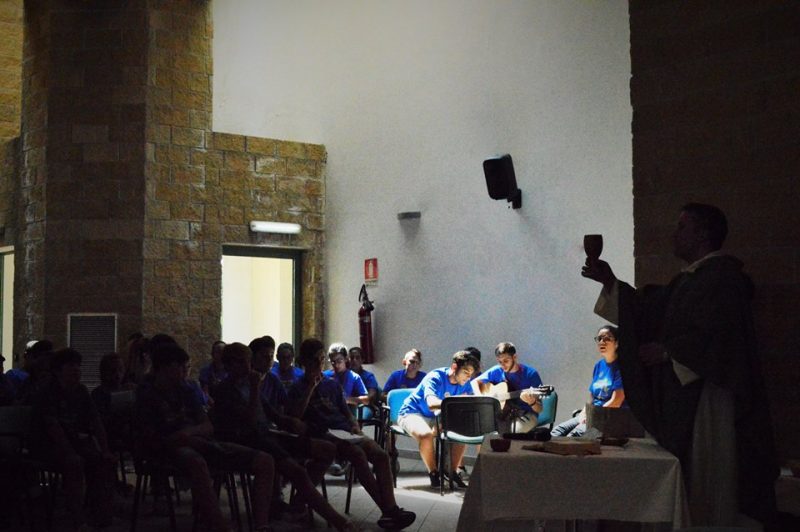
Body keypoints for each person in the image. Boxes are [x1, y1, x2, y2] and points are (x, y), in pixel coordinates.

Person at [581, 202, 778, 528]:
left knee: (707, 481)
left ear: (703, 234)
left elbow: (722, 337)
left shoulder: (722, 279)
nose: (674, 235)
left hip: (707, 396)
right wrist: (610, 283)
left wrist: (668, 352)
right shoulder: (691, 280)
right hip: (685, 393)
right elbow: (648, 311)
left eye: (682, 227)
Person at [210, 343, 355, 532]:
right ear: (230, 365)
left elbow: (273, 414)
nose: (248, 367)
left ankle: (297, 504)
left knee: (327, 449)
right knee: (297, 471)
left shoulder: (250, 384)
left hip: (270, 434)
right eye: (242, 362)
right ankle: (337, 521)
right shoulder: (225, 390)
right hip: (249, 440)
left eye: (248, 362)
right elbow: (249, 422)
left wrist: (292, 422)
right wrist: (254, 389)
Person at [135, 341, 275, 532]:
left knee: (265, 460)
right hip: (169, 451)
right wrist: (183, 437)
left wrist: (189, 433)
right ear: (165, 368)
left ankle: (261, 526)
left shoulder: (187, 389)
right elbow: (152, 439)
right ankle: (219, 526)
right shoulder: (147, 395)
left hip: (201, 441)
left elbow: (208, 426)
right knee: (197, 462)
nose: (184, 372)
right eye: (180, 367)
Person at [288, 338, 416, 530]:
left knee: (380, 455)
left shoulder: (331, 385)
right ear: (305, 361)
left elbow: (346, 412)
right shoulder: (297, 387)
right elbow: (295, 416)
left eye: (321, 359)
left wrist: (354, 426)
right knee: (357, 455)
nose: (320, 364)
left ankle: (391, 508)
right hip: (322, 434)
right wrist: (310, 388)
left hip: (345, 431)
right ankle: (389, 511)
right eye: (315, 359)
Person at [31, 348, 117, 530]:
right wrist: (70, 453)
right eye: (71, 366)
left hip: (74, 442)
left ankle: (99, 513)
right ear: (58, 370)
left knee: (102, 461)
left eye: (78, 365)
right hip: (47, 446)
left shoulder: (81, 391)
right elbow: (52, 428)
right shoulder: (47, 393)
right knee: (74, 464)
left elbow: (95, 421)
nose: (76, 370)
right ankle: (77, 519)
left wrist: (105, 450)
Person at [396, 351, 479, 489]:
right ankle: (434, 473)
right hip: (411, 412)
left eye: (470, 374)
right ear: (454, 367)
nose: (468, 377)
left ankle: (450, 472)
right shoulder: (435, 377)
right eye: (465, 372)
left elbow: (469, 402)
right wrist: (457, 401)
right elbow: (432, 403)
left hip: (436, 416)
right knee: (425, 435)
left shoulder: (466, 383)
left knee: (462, 429)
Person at [551, 326, 626, 437]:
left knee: (572, 436)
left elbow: (616, 401)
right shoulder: (598, 366)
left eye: (607, 338)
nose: (602, 342)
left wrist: (593, 416)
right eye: (599, 338)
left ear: (617, 343)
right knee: (556, 432)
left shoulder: (622, 368)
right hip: (592, 413)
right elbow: (592, 397)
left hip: (608, 417)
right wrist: (584, 413)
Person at [474, 342, 543, 434]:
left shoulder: (531, 374)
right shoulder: (497, 370)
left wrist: (532, 401)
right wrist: (483, 399)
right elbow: (474, 383)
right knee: (481, 428)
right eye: (500, 362)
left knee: (512, 433)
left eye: (506, 361)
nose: (503, 365)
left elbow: (539, 409)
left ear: (514, 357)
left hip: (526, 415)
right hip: (502, 414)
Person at [323, 343, 369, 408]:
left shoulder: (354, 377)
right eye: (333, 362)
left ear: (346, 359)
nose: (336, 365)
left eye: (339, 361)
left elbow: (366, 400)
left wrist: (345, 400)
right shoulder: (324, 376)